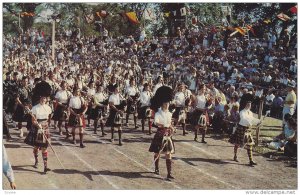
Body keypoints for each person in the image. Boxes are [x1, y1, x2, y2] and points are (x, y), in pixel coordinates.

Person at [149, 86, 176, 180]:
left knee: (168, 153)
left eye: (168, 103)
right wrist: (165, 125)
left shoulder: (170, 113)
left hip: (168, 135)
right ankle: (156, 168)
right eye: (166, 103)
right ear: (162, 104)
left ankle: (169, 173)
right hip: (160, 134)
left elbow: (170, 124)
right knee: (157, 153)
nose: (168, 104)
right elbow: (156, 123)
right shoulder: (158, 113)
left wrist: (171, 128)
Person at [229, 97, 261, 166]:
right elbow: (243, 119)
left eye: (250, 105)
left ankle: (251, 160)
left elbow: (252, 119)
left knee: (250, 145)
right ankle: (235, 155)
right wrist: (250, 121)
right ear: (245, 105)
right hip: (241, 129)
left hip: (248, 130)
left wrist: (258, 122)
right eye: (248, 105)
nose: (249, 106)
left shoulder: (251, 113)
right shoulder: (242, 112)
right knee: (237, 143)